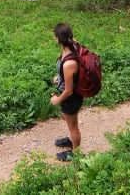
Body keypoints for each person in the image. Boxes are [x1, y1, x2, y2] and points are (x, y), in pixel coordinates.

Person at [50, 23, 83, 161]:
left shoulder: (69, 63)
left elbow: (69, 91)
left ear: (58, 39)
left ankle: (75, 154)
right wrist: (60, 78)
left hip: (71, 98)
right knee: (67, 118)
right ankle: (71, 140)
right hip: (69, 95)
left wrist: (57, 100)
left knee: (73, 126)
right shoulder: (71, 47)